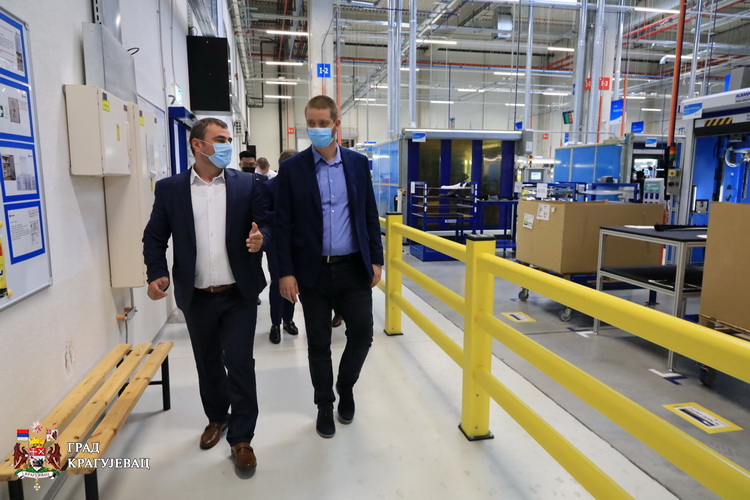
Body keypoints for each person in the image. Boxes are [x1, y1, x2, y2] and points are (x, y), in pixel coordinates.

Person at [142, 117, 269, 471]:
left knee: (240, 363)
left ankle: (242, 438)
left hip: (238, 293)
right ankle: (217, 417)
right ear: (197, 145)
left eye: (228, 139)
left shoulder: (247, 184)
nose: (227, 144)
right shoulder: (171, 189)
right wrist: (156, 274)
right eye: (220, 139)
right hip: (197, 295)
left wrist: (263, 238)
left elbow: (268, 223)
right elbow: (154, 237)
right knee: (208, 362)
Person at [276, 95, 383, 439]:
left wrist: (376, 259)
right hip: (313, 271)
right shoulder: (293, 169)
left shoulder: (357, 163)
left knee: (363, 334)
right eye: (311, 123)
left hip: (353, 267)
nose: (317, 129)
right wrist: (285, 272)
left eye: (323, 123)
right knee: (318, 342)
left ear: (336, 124)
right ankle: (324, 403)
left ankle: (345, 386)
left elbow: (368, 213)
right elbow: (282, 224)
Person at [259, 149, 299, 344]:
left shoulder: (303, 185)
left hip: (298, 243)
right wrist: (286, 216)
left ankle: (288, 320)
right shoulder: (268, 187)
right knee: (278, 282)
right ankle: (275, 323)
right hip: (276, 243)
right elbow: (263, 214)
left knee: (294, 282)